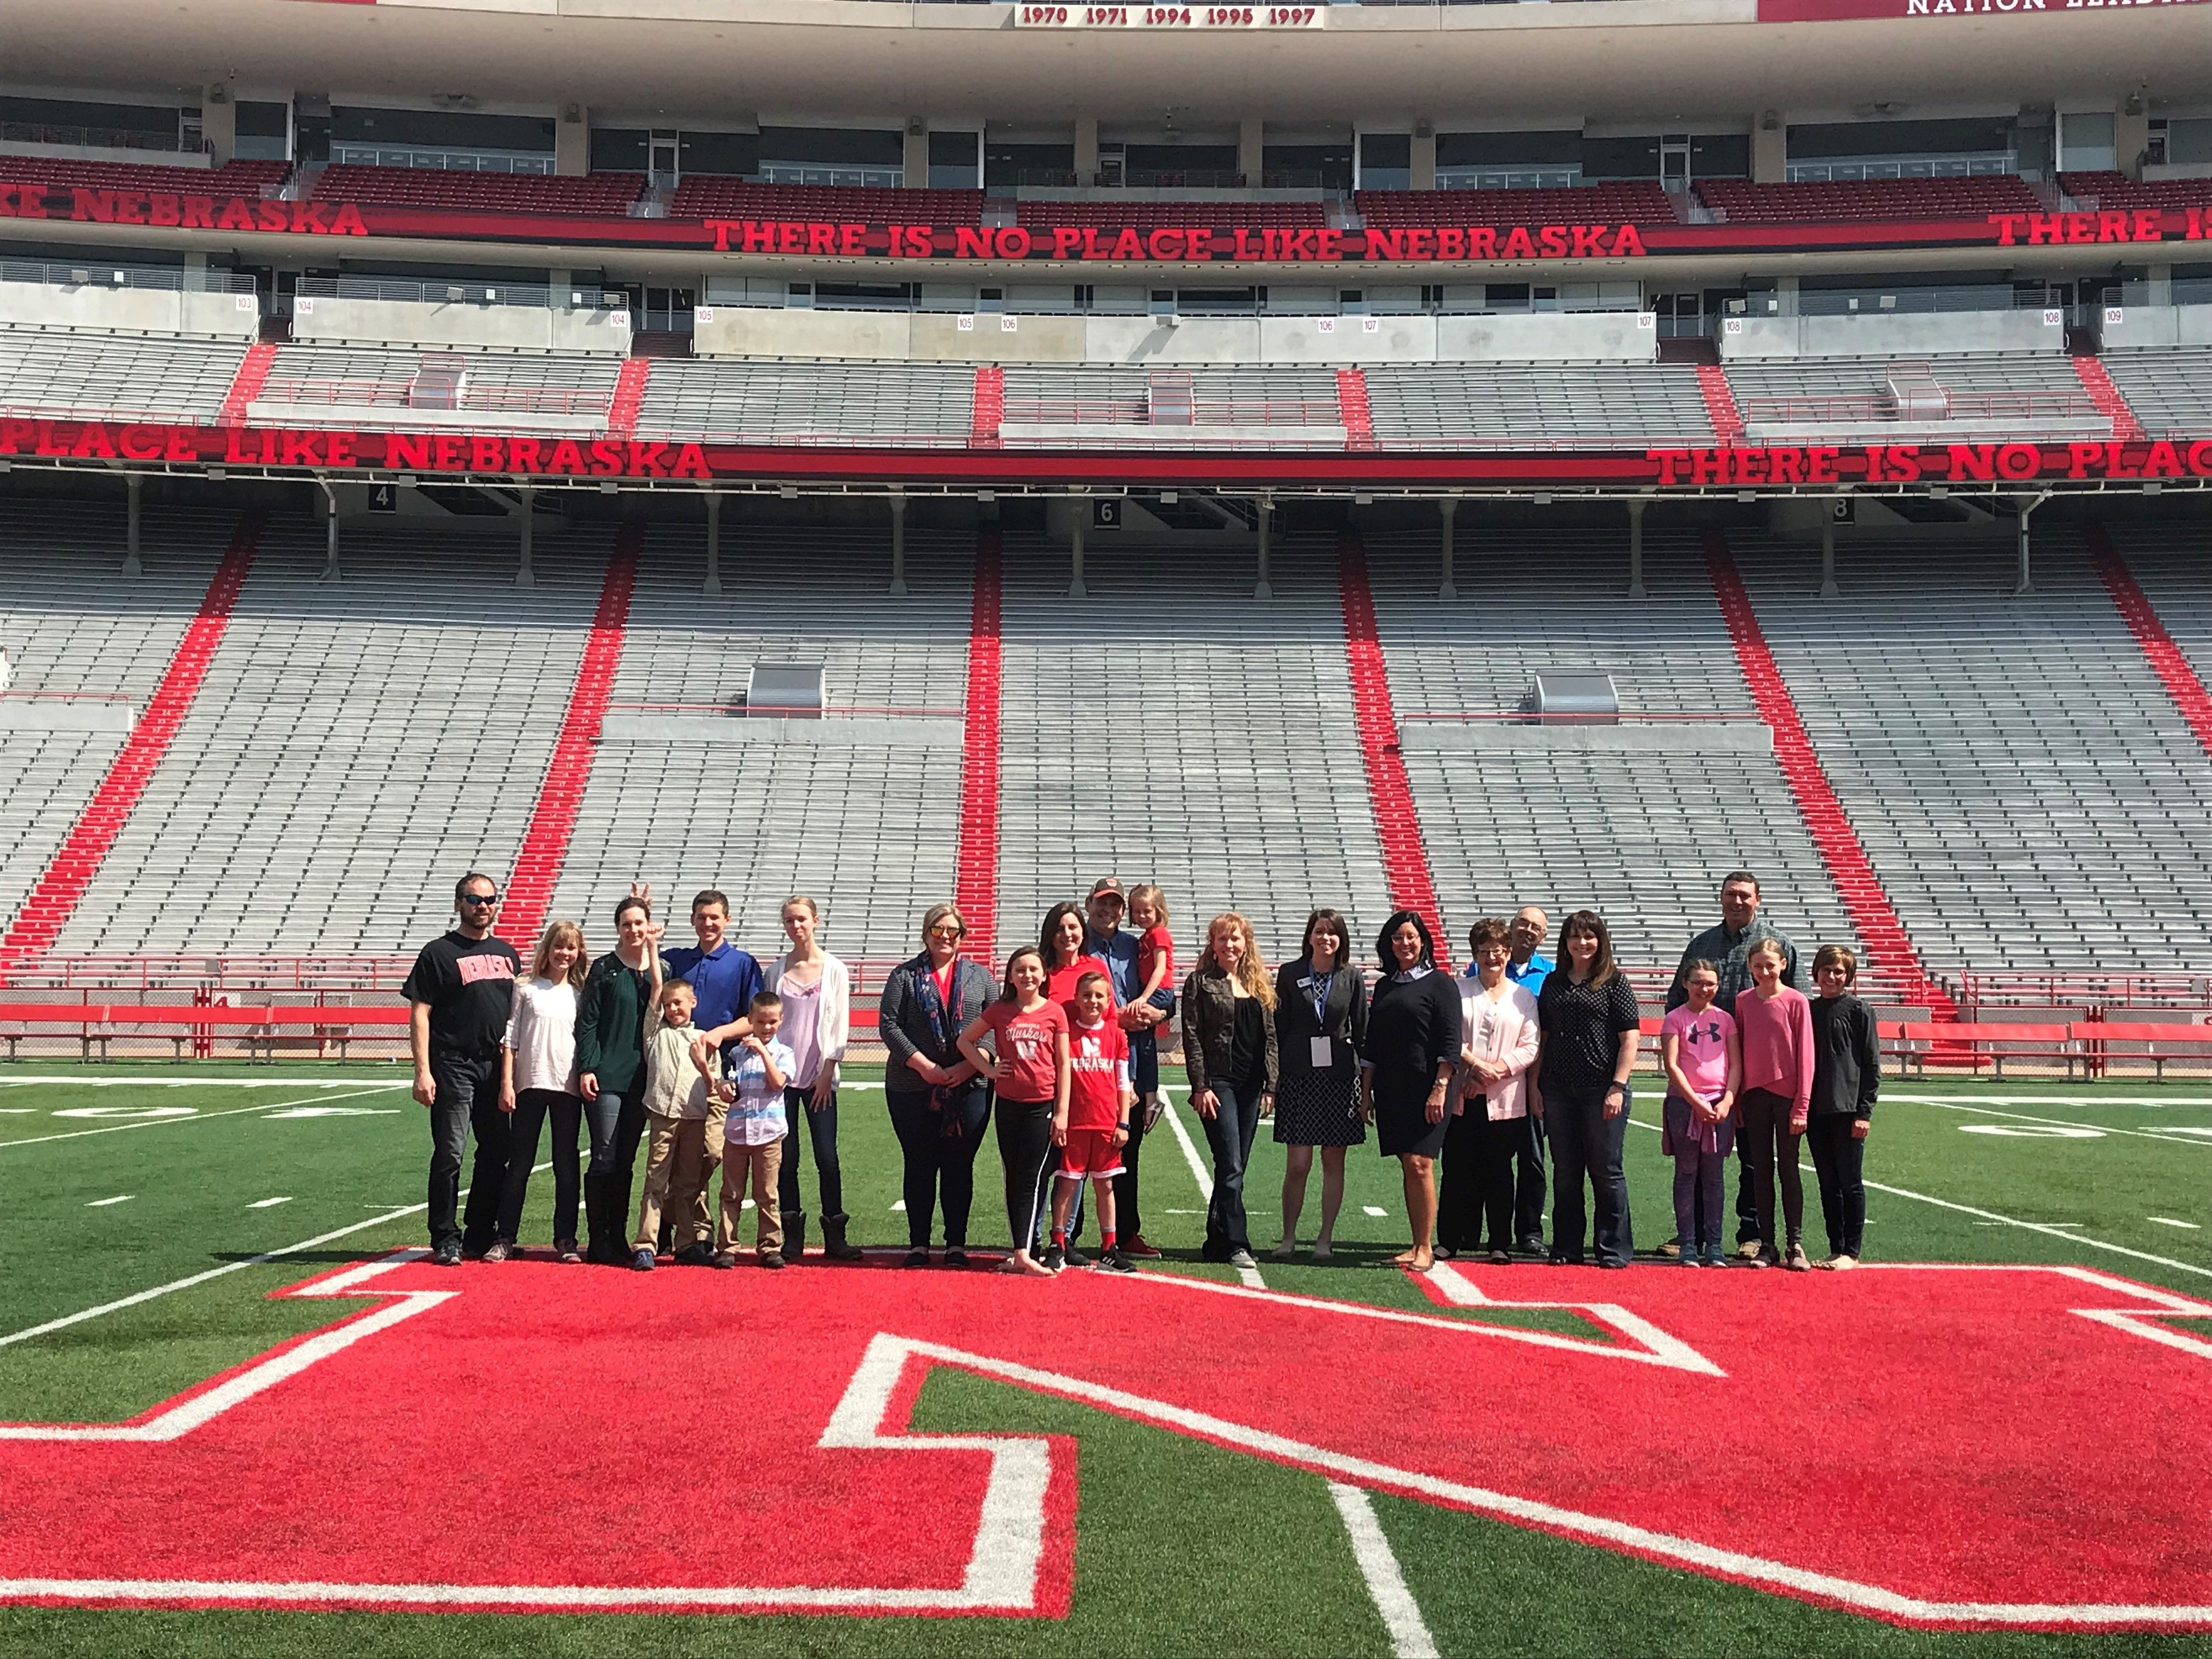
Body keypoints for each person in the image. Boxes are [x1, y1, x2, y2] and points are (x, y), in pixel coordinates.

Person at [697, 895, 859, 1264]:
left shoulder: (833, 969)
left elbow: (839, 1026)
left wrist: (827, 1071)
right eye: (789, 921)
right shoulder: (777, 972)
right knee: (787, 1158)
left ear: (815, 920)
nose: (796, 926)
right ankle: (790, 1236)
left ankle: (835, 1233)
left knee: (827, 1156)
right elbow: (765, 1022)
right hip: (779, 1080)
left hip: (818, 1078)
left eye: (802, 919)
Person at [1666, 872, 1799, 1261]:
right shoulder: (1701, 944)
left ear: (1759, 899)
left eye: (1744, 896)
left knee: (1753, 1157)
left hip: (1759, 1068)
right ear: (1721, 899)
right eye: (1730, 895)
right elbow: (1678, 999)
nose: (1737, 902)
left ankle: (1753, 1232)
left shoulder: (1779, 945)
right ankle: (1694, 1234)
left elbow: (1798, 1005)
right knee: (1697, 1155)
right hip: (1705, 1068)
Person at [404, 873, 522, 1268]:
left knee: (496, 1152)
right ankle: (445, 1236)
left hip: (495, 1063)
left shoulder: (508, 954)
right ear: (459, 903)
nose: (483, 906)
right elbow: (420, 1012)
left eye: (490, 899)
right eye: (474, 899)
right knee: (451, 1153)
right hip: (454, 1062)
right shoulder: (438, 952)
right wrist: (423, 1070)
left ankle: (478, 1233)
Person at [878, 904, 996, 1269]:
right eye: (937, 930)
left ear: (962, 935)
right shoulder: (905, 976)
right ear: (926, 933)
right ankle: (918, 1244)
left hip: (971, 1086)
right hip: (912, 1086)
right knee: (920, 1164)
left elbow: (994, 1027)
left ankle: (956, 1245)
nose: (944, 937)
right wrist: (924, 1066)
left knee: (960, 1165)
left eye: (952, 931)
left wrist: (968, 1066)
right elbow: (889, 1025)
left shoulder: (982, 976)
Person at [662, 889, 764, 1263]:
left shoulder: (741, 963)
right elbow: (650, 977)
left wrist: (720, 1033)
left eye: (715, 917)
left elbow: (753, 1016)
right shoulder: (675, 959)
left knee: (710, 1151)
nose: (708, 923)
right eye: (702, 917)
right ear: (692, 920)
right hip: (675, 1068)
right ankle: (697, 1234)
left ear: (727, 920)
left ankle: (669, 1215)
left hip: (720, 1070)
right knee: (679, 1154)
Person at [1534, 910, 1641, 1269]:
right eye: (1576, 936)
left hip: (1602, 1089)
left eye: (1590, 936)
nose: (1583, 943)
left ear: (1601, 941)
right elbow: (1543, 1038)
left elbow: (1630, 1039)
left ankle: (1613, 1248)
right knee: (1565, 1171)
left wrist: (1618, 1086)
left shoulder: (1615, 982)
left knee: (1606, 1170)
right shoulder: (1554, 983)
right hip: (1559, 1090)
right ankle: (1566, 1246)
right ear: (1565, 942)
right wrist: (1536, 1086)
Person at [1359, 910, 1462, 1275]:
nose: (1405, 944)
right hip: (1392, 1088)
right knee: (1409, 1165)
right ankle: (1416, 1241)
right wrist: (1366, 1093)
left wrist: (1440, 1087)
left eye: (1411, 937)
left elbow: (1451, 1041)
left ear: (1424, 942)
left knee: (1421, 1165)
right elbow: (1373, 1044)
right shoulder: (1386, 986)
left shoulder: (1441, 984)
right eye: (1398, 937)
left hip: (1429, 1086)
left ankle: (1426, 1247)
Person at [959, 945, 1070, 1278]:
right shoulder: (1000, 1010)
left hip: (1042, 1106)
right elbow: (965, 1041)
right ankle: (1020, 1250)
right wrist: (989, 1070)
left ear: (1044, 974)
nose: (1027, 975)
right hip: (1007, 1105)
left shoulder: (1055, 1012)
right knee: (1013, 1177)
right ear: (1010, 976)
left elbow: (1064, 1064)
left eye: (1034, 969)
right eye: (1020, 969)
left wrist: (1062, 1112)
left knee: (1031, 1179)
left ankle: (1025, 1251)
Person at [1438, 918, 1541, 1267]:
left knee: (1499, 1173)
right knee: (1456, 1170)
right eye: (1484, 951)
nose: (1492, 957)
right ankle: (1449, 1239)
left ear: (1508, 953)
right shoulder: (1458, 990)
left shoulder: (1523, 997)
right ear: (1475, 954)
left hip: (1505, 1098)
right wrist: (1474, 1065)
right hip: (1461, 1096)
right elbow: (1450, 1037)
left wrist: (1493, 1072)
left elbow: (1530, 1046)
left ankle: (1499, 1242)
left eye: (1498, 951)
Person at [575, 889, 669, 1265]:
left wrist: (654, 948)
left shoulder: (660, 971)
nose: (634, 929)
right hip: (607, 1077)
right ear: (618, 928)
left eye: (639, 923)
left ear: (649, 927)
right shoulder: (604, 968)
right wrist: (587, 1067)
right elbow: (589, 1023)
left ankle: (618, 1235)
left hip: (642, 1080)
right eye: (627, 924)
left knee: (627, 1159)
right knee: (604, 1155)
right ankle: (600, 1238)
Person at [1182, 912, 1279, 1271]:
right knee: (1232, 1163)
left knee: (1232, 1165)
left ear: (1246, 942)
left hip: (1251, 1085)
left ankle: (1216, 1240)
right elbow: (1192, 1036)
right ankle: (1238, 1242)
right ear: (1213, 943)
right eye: (1223, 938)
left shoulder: (1260, 983)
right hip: (1218, 1081)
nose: (1230, 945)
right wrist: (1201, 1085)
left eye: (1236, 938)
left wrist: (1271, 1085)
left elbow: (1271, 1038)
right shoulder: (1201, 982)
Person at [1271, 907, 1366, 1262]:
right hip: (1299, 1076)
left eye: (1332, 932)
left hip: (1340, 1079)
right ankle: (1288, 1236)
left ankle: (1325, 1238)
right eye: (1319, 931)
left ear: (1341, 939)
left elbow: (1361, 1030)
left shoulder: (1351, 977)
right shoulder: (1290, 973)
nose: (1325, 938)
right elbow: (1279, 1029)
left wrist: (1366, 1088)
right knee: (1297, 1163)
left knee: (1333, 1161)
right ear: (1309, 936)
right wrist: (1275, 1078)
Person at [490, 919, 588, 1263]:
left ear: (579, 954)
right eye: (559, 946)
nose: (564, 953)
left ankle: (566, 1239)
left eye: (571, 948)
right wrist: (507, 1083)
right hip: (530, 1083)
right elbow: (511, 1038)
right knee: (519, 1163)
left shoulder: (580, 992)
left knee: (566, 1164)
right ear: (547, 950)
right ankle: (505, 1237)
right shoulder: (526, 987)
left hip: (568, 1087)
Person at [1089, 878, 1175, 1260]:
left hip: (1134, 1057)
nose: (1109, 911)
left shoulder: (1135, 943)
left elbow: (1166, 991)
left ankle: (1127, 1232)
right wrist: (1117, 1019)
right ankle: (1067, 1233)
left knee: (1130, 1147)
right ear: (1090, 904)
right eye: (1102, 904)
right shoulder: (1077, 943)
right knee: (1080, 1146)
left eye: (1115, 905)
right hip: (1092, 1058)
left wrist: (1162, 1011)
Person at [1044, 970, 1137, 1274]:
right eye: (1087, 995)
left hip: (1106, 1123)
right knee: (1068, 1184)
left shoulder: (1117, 1036)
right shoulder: (1066, 1034)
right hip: (1074, 1124)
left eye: (1099, 995)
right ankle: (1058, 1242)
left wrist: (1123, 1122)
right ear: (1077, 999)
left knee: (1105, 1185)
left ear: (1109, 1000)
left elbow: (1123, 1083)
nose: (1093, 1001)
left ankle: (1109, 1247)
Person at [629, 979, 723, 1272]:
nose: (672, 1009)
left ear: (693, 1003)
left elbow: (715, 1086)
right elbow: (657, 992)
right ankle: (646, 1243)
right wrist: (653, 948)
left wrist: (703, 1064)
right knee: (656, 1180)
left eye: (678, 1003)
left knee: (688, 1185)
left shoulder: (704, 1039)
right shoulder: (656, 1034)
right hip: (663, 1115)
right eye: (668, 1004)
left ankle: (686, 1243)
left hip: (694, 1117)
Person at [1734, 936, 1815, 1272]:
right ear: (1750, 968)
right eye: (1758, 966)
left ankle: (1794, 1242)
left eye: (1771, 965)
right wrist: (1737, 1098)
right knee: (1759, 1170)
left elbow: (1807, 1056)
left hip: (1787, 1097)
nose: (1764, 971)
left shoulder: (1797, 1001)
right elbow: (1738, 1052)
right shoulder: (1742, 1001)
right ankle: (1767, 1244)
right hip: (1754, 1097)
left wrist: (1802, 1105)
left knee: (1789, 1169)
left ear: (1783, 964)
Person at [1659, 961, 1741, 1271]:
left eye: (1710, 984)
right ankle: (1688, 1244)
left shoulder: (1726, 1019)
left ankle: (1715, 1245)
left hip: (1719, 1104)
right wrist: (1695, 1102)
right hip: (1685, 1105)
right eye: (1698, 983)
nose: (1704, 989)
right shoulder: (1674, 1019)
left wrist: (1728, 1100)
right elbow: (1673, 1065)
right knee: (1686, 1173)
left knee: (1714, 1176)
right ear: (1685, 983)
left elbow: (1735, 1064)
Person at [1807, 944, 1879, 1269]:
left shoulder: (1860, 1010)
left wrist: (1864, 1112)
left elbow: (1871, 1065)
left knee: (1850, 1181)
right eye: (1827, 970)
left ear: (1849, 976)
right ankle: (1835, 1248)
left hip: (1847, 1109)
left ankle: (1852, 1251)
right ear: (1816, 973)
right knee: (1827, 1182)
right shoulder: (1808, 1011)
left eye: (1839, 971)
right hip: (1815, 1109)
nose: (1832, 977)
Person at [711, 990, 795, 1271]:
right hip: (737, 1132)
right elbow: (728, 1087)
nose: (767, 1027)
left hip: (769, 1133)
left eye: (772, 1022)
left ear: (781, 1021)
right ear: (750, 1021)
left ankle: (770, 1246)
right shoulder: (736, 1054)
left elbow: (777, 1083)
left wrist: (762, 1051)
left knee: (767, 1194)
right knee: (731, 1193)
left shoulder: (784, 1053)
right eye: (761, 1022)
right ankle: (726, 1246)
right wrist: (724, 1088)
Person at [1502, 905, 1554, 1255]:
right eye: (1523, 923)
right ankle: (1492, 1231)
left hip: (1536, 1079)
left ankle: (1530, 1230)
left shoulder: (1552, 974)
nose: (1528, 930)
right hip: (1495, 1077)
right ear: (1511, 927)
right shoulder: (1484, 964)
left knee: (1533, 1158)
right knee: (1492, 1157)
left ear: (1544, 936)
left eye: (1536, 927)